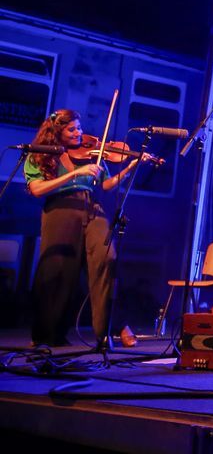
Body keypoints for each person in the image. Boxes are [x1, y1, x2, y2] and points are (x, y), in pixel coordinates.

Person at [25, 109, 152, 349]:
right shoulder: (41, 155)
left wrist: (131, 168)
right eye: (72, 129)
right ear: (56, 132)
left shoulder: (92, 154)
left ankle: (106, 332)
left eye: (79, 128)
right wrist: (74, 174)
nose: (79, 133)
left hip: (91, 206)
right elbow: (37, 189)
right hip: (60, 209)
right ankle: (47, 333)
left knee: (107, 259)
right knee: (58, 270)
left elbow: (106, 185)